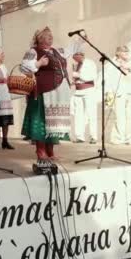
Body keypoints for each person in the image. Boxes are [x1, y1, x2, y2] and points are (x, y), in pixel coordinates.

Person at [21, 27, 83, 161]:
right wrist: (39, 63)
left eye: (51, 36)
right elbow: (24, 68)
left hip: (58, 91)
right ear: (40, 39)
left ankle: (50, 151)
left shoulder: (57, 51)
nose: (51, 38)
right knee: (43, 121)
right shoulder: (33, 51)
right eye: (48, 36)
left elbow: (71, 49)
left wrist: (81, 39)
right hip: (44, 91)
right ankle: (41, 151)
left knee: (52, 123)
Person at [107, 45, 131, 145]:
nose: (127, 53)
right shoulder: (113, 63)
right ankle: (116, 138)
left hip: (129, 92)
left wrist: (129, 67)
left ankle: (129, 138)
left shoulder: (130, 64)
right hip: (119, 92)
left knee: (129, 116)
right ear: (118, 53)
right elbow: (110, 79)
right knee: (118, 116)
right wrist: (111, 93)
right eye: (124, 52)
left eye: (127, 51)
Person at [70, 51, 98, 144]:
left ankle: (93, 136)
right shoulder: (76, 64)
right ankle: (79, 136)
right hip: (78, 91)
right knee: (78, 114)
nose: (73, 58)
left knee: (91, 114)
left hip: (89, 90)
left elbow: (93, 76)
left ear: (80, 55)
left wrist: (79, 75)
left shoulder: (90, 63)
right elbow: (75, 77)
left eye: (75, 56)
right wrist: (74, 80)